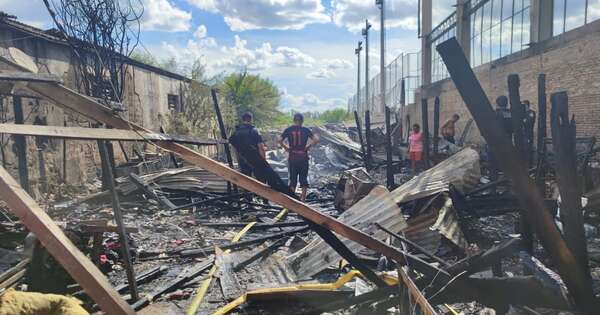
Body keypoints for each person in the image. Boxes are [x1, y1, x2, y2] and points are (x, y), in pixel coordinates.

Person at [279, 113, 319, 201]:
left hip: (293, 157)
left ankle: (292, 200)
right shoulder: (305, 130)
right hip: (303, 157)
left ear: (294, 120)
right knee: (303, 178)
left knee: (292, 179)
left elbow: (279, 140)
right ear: (302, 121)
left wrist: (286, 148)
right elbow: (316, 139)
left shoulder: (288, 130)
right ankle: (303, 199)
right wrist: (308, 147)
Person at [231, 112, 267, 182]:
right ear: (251, 120)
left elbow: (235, 147)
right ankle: (259, 193)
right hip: (255, 159)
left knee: (246, 181)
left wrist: (238, 160)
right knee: (261, 181)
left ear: (242, 120)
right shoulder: (254, 131)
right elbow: (261, 148)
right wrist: (264, 161)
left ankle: (247, 193)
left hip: (242, 159)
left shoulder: (236, 132)